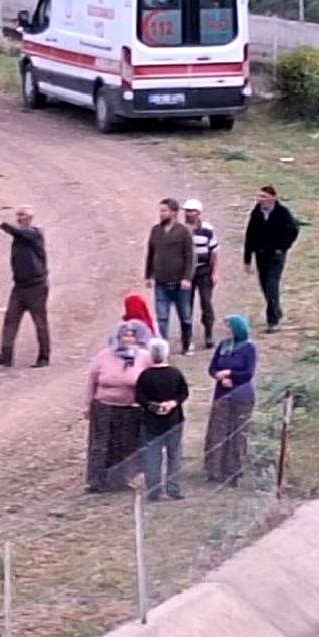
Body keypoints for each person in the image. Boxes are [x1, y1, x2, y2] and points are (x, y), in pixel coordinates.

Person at [83, 322, 151, 493]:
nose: (128, 338)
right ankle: (96, 481)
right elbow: (92, 380)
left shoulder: (143, 357)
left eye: (132, 335)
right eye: (125, 335)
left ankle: (119, 480)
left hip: (131, 408)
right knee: (100, 444)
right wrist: (88, 404)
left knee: (124, 445)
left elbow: (151, 379)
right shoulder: (104, 356)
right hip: (104, 406)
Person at [0, 206, 51, 368]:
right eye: (18, 215)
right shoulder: (22, 235)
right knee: (10, 319)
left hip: (36, 286)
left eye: (22, 215)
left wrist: (1, 224)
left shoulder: (34, 234)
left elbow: (20, 232)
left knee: (39, 321)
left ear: (30, 217)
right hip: (20, 285)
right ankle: (6, 355)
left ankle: (44, 356)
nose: (19, 218)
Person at [204, 315, 258, 485]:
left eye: (228, 327)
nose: (225, 330)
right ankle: (214, 469)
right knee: (218, 431)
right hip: (222, 393)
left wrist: (230, 374)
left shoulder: (249, 348)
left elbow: (248, 372)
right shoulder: (222, 346)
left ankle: (234, 470)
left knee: (237, 432)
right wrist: (219, 377)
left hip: (241, 394)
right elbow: (213, 367)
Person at [135, 338, 190, 501]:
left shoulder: (145, 375)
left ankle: (153, 490)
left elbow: (139, 397)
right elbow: (184, 393)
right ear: (166, 354)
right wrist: (172, 403)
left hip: (151, 422)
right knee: (174, 455)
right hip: (173, 420)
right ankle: (174, 488)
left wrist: (153, 406)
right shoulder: (175, 373)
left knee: (152, 456)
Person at [243, 185, 300, 333]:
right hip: (261, 254)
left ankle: (272, 320)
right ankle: (277, 309)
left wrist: (283, 247)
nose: (261, 200)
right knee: (264, 285)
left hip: (276, 255)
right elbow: (250, 235)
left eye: (264, 197)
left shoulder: (282, 212)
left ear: (273, 198)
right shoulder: (256, 213)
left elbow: (293, 230)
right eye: (259, 197)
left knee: (272, 284)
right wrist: (247, 259)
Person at [144, 199, 196, 354]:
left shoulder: (183, 232)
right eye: (161, 211)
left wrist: (187, 277)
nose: (162, 214)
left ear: (174, 212)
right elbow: (151, 254)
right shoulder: (156, 231)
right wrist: (149, 274)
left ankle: (187, 343)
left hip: (180, 283)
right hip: (161, 282)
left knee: (185, 316)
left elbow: (190, 256)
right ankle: (163, 349)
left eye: (165, 211)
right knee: (162, 318)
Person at [183, 199, 220, 348]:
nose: (189, 214)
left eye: (192, 211)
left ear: (198, 213)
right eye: (187, 211)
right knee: (186, 305)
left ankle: (209, 333)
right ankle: (187, 337)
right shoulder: (181, 229)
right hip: (186, 272)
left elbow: (214, 251)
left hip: (204, 270)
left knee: (206, 302)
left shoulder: (207, 229)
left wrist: (215, 272)